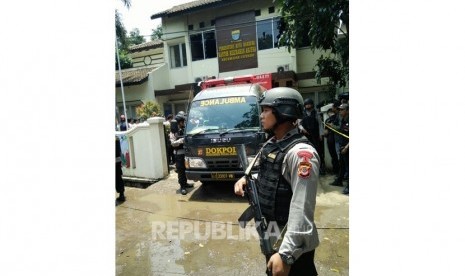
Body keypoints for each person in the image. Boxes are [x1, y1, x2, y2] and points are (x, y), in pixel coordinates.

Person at [234, 87, 320, 276]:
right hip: (271, 235)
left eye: (266, 110)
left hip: (292, 245)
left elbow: (302, 209)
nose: (261, 116)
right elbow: (271, 177)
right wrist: (247, 179)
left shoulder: (301, 154)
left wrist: (286, 254)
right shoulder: (272, 144)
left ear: (283, 111)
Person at [300, 98, 326, 175]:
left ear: (312, 105)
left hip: (315, 135)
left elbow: (320, 124)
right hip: (306, 136)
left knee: (318, 152)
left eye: (309, 104)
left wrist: (321, 134)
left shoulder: (316, 113)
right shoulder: (302, 114)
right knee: (306, 152)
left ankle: (320, 168)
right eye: (306, 104)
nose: (308, 106)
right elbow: (299, 124)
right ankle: (307, 168)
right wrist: (302, 129)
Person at [170, 111, 194, 195]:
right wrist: (182, 140)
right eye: (182, 121)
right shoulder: (173, 131)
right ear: (179, 122)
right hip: (178, 154)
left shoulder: (184, 129)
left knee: (186, 170)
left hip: (186, 153)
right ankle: (182, 187)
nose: (183, 123)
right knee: (181, 171)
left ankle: (186, 183)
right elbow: (173, 143)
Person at [329, 103, 349, 194]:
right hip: (342, 146)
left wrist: (346, 147)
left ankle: (349, 186)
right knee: (342, 165)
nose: (340, 111)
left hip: (347, 147)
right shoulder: (343, 120)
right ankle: (339, 181)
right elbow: (341, 131)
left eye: (342, 109)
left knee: (349, 168)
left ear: (347, 111)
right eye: (340, 109)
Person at [323, 101, 341, 175]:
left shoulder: (338, 117)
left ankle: (339, 172)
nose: (331, 114)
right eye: (329, 113)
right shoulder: (328, 120)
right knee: (333, 156)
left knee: (338, 157)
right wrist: (326, 132)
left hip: (337, 140)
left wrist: (331, 126)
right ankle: (335, 171)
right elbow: (325, 131)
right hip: (330, 140)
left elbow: (340, 128)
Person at [116, 136, 126, 203]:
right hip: (117, 161)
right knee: (118, 177)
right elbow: (119, 151)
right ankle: (121, 194)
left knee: (117, 178)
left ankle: (121, 194)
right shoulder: (116, 138)